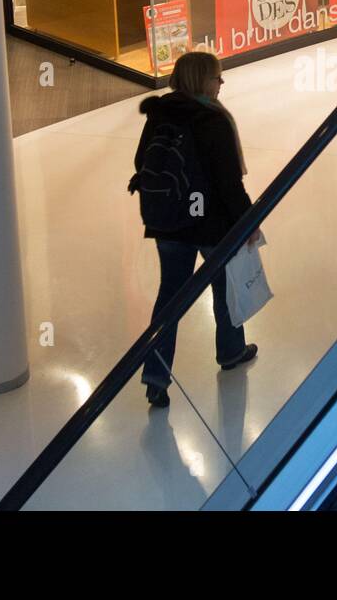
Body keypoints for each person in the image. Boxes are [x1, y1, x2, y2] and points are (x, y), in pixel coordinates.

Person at [134, 51, 257, 408]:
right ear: (202, 81)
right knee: (225, 288)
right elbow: (229, 182)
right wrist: (248, 220)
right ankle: (231, 352)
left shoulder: (160, 113)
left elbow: (142, 162)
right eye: (217, 77)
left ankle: (155, 377)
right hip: (209, 222)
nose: (221, 83)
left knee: (169, 297)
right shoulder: (211, 119)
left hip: (168, 221)